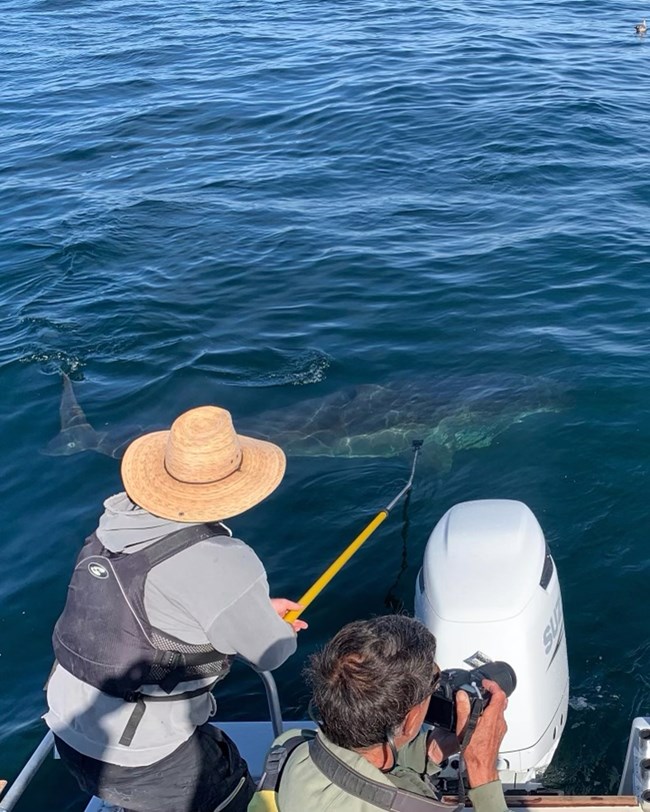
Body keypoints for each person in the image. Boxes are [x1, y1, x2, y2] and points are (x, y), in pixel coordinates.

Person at [44, 405, 307, 812]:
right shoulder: (224, 559)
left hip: (69, 731)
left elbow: (145, 610)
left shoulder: (109, 532)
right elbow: (270, 653)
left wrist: (249, 608)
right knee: (235, 792)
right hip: (140, 761)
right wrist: (278, 629)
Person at [266, 615, 509, 812]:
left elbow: (358, 769)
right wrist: (482, 769)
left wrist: (431, 752)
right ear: (412, 718)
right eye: (434, 684)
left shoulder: (292, 748)